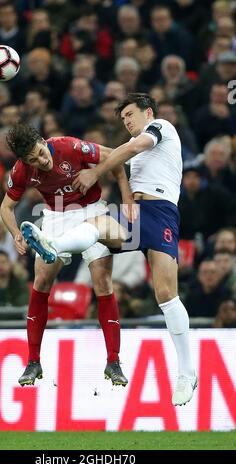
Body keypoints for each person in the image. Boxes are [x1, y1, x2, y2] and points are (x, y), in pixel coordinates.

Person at [22, 93, 197, 406]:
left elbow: (129, 149)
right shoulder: (138, 143)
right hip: (136, 215)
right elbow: (124, 161)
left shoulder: (162, 128)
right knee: (101, 227)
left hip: (162, 214)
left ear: (148, 112)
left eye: (130, 114)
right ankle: (54, 246)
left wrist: (94, 172)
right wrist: (126, 196)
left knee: (167, 296)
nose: (127, 121)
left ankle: (186, 372)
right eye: (123, 118)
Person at [0, 123, 133, 387]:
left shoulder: (69, 146)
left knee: (103, 282)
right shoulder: (21, 170)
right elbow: (6, 207)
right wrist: (15, 233)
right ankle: (33, 362)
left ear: (42, 140)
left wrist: (125, 196)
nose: (41, 160)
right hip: (56, 215)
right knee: (40, 282)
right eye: (32, 159)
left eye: (39, 152)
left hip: (92, 211)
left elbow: (116, 159)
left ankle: (113, 362)